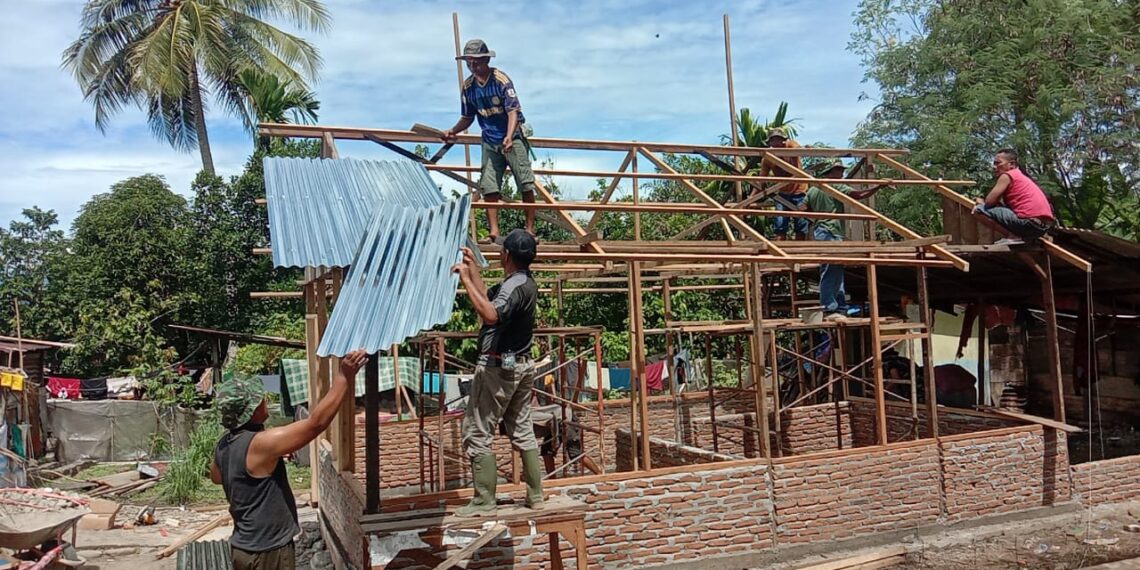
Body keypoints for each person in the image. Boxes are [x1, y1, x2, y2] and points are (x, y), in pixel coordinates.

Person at [211, 350, 368, 570]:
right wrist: (345, 375)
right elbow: (316, 424)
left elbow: (217, 478)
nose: (264, 400)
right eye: (259, 400)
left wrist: (261, 468)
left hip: (243, 549)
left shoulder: (225, 445)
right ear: (251, 412)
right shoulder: (260, 444)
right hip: (268, 552)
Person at [451, 229, 543, 515]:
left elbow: (490, 315)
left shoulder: (514, 287)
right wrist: (474, 272)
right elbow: (489, 298)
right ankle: (535, 495)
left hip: (498, 368)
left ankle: (483, 501)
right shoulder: (522, 282)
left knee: (477, 430)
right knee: (521, 427)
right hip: (520, 365)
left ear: (506, 255)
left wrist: (465, 279)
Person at [442, 39, 536, 242]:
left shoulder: (501, 80)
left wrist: (509, 136)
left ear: (486, 60)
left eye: (476, 62)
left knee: (525, 182)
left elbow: (513, 111)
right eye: (469, 63)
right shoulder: (468, 87)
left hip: (513, 136)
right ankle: (494, 232)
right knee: (489, 185)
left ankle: (530, 230)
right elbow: (468, 117)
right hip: (489, 139)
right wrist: (453, 131)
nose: (473, 67)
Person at [799, 159, 885, 320]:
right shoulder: (836, 185)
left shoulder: (813, 189)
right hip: (831, 232)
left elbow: (802, 208)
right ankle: (829, 308)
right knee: (830, 270)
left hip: (821, 232)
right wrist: (878, 187)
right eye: (839, 170)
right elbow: (859, 195)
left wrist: (817, 214)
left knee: (835, 269)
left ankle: (839, 307)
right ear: (830, 173)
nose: (842, 173)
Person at [973, 149, 1055, 244]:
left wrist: (981, 202)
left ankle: (1013, 236)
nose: (994, 167)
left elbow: (989, 203)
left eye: (998, 163)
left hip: (1028, 224)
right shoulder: (1021, 177)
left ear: (1011, 164)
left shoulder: (1007, 176)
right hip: (1042, 228)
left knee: (979, 210)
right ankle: (1023, 237)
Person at [754, 127, 808, 240]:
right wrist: (750, 199)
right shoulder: (768, 158)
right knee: (780, 225)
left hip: (800, 191)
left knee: (801, 225)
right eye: (773, 140)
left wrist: (805, 149)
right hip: (783, 193)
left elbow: (799, 149)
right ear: (770, 143)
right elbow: (762, 180)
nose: (776, 143)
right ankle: (780, 251)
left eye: (778, 139)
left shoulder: (791, 146)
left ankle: (800, 252)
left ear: (783, 140)